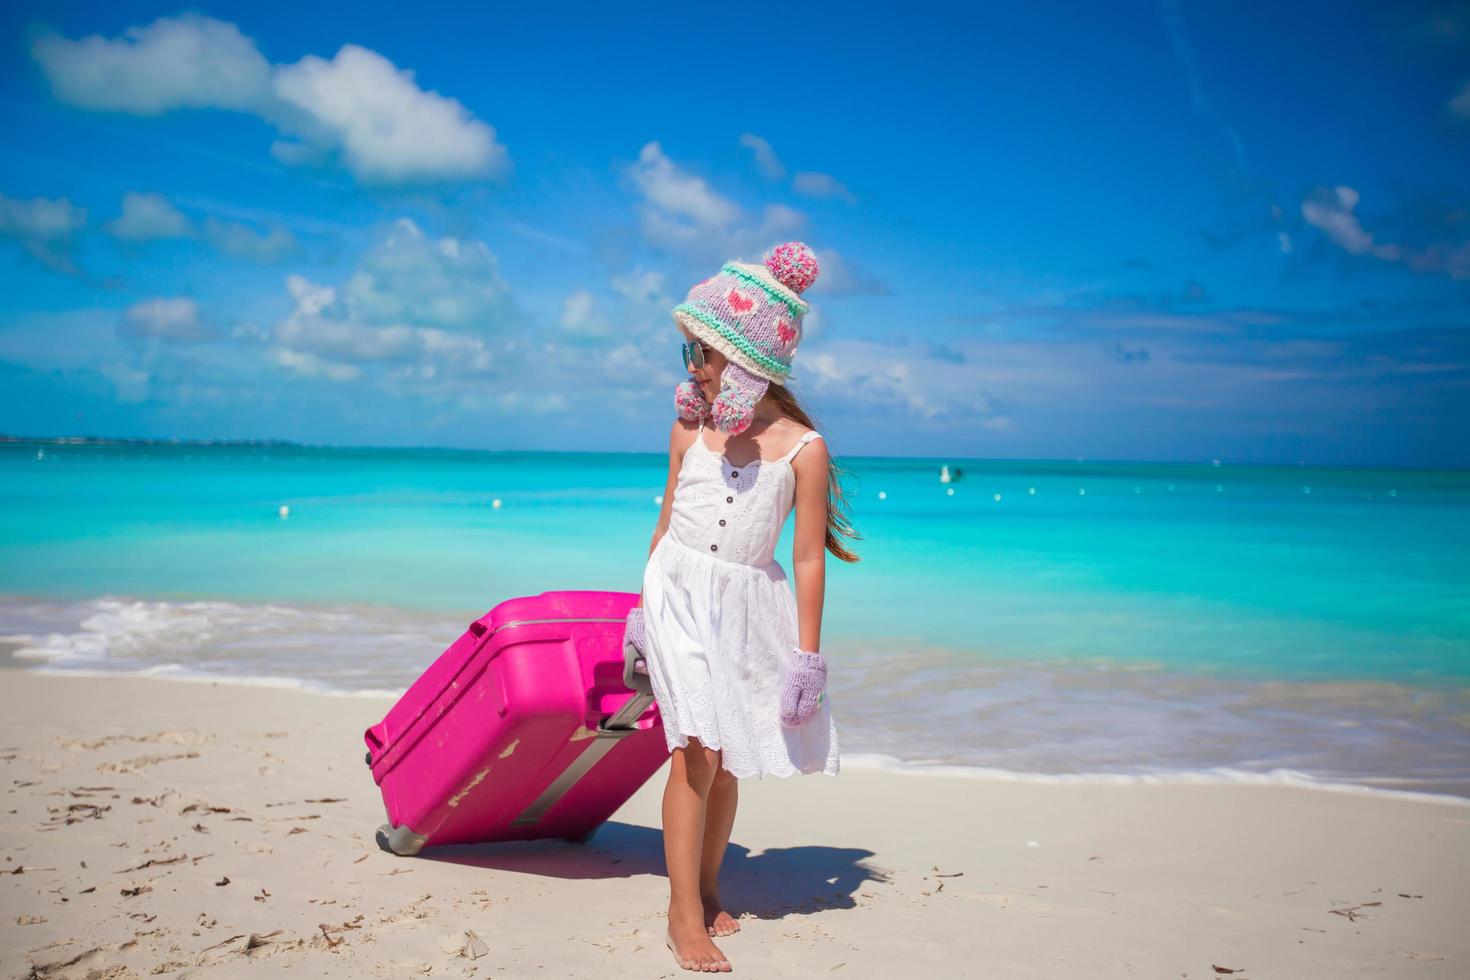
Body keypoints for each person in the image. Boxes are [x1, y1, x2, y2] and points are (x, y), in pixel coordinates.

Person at [622, 241, 862, 972]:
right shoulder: (688, 430)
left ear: (746, 359)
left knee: (725, 764)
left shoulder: (804, 450)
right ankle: (681, 912)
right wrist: (642, 614)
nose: (691, 366)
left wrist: (808, 656)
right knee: (695, 751)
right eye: (686, 351)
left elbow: (809, 555)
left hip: (749, 603)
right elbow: (666, 524)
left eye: (703, 353)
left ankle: (708, 881)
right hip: (678, 592)